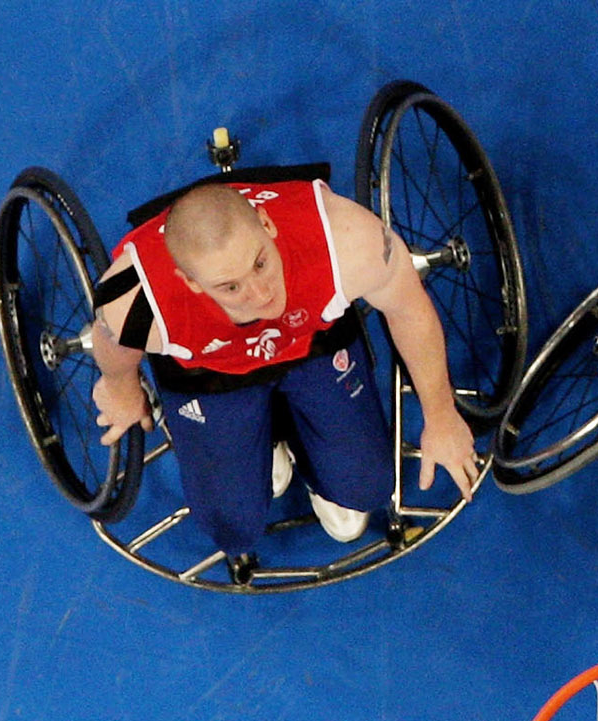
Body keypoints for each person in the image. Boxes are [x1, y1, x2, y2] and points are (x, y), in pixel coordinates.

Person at [88, 176, 478, 580]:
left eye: (260, 263)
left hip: (309, 342)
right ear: (190, 283)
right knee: (232, 528)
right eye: (231, 286)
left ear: (267, 224)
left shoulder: (345, 239)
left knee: (369, 489)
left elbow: (409, 309)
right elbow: (113, 347)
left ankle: (305, 450)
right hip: (210, 371)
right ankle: (264, 436)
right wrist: (121, 388)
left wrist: (442, 414)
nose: (259, 294)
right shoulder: (135, 299)